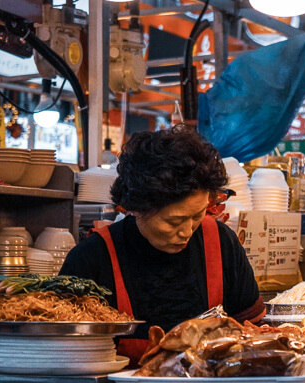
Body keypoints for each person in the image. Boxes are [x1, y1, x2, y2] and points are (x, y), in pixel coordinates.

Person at [60, 125, 264, 363]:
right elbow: (68, 356)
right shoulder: (91, 259)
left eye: (197, 215)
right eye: (173, 221)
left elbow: (254, 334)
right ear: (135, 208)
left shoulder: (221, 244)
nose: (187, 232)